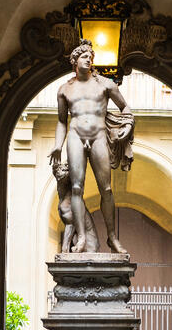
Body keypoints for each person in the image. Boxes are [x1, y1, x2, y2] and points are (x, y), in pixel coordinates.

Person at [49, 39, 135, 254]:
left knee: (105, 188)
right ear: (75, 61)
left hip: (99, 136)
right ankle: (81, 239)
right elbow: (62, 121)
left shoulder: (105, 84)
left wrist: (128, 125)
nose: (89, 60)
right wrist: (58, 146)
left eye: (91, 57)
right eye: (84, 57)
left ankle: (112, 238)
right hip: (75, 136)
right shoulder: (64, 90)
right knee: (77, 187)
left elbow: (126, 108)